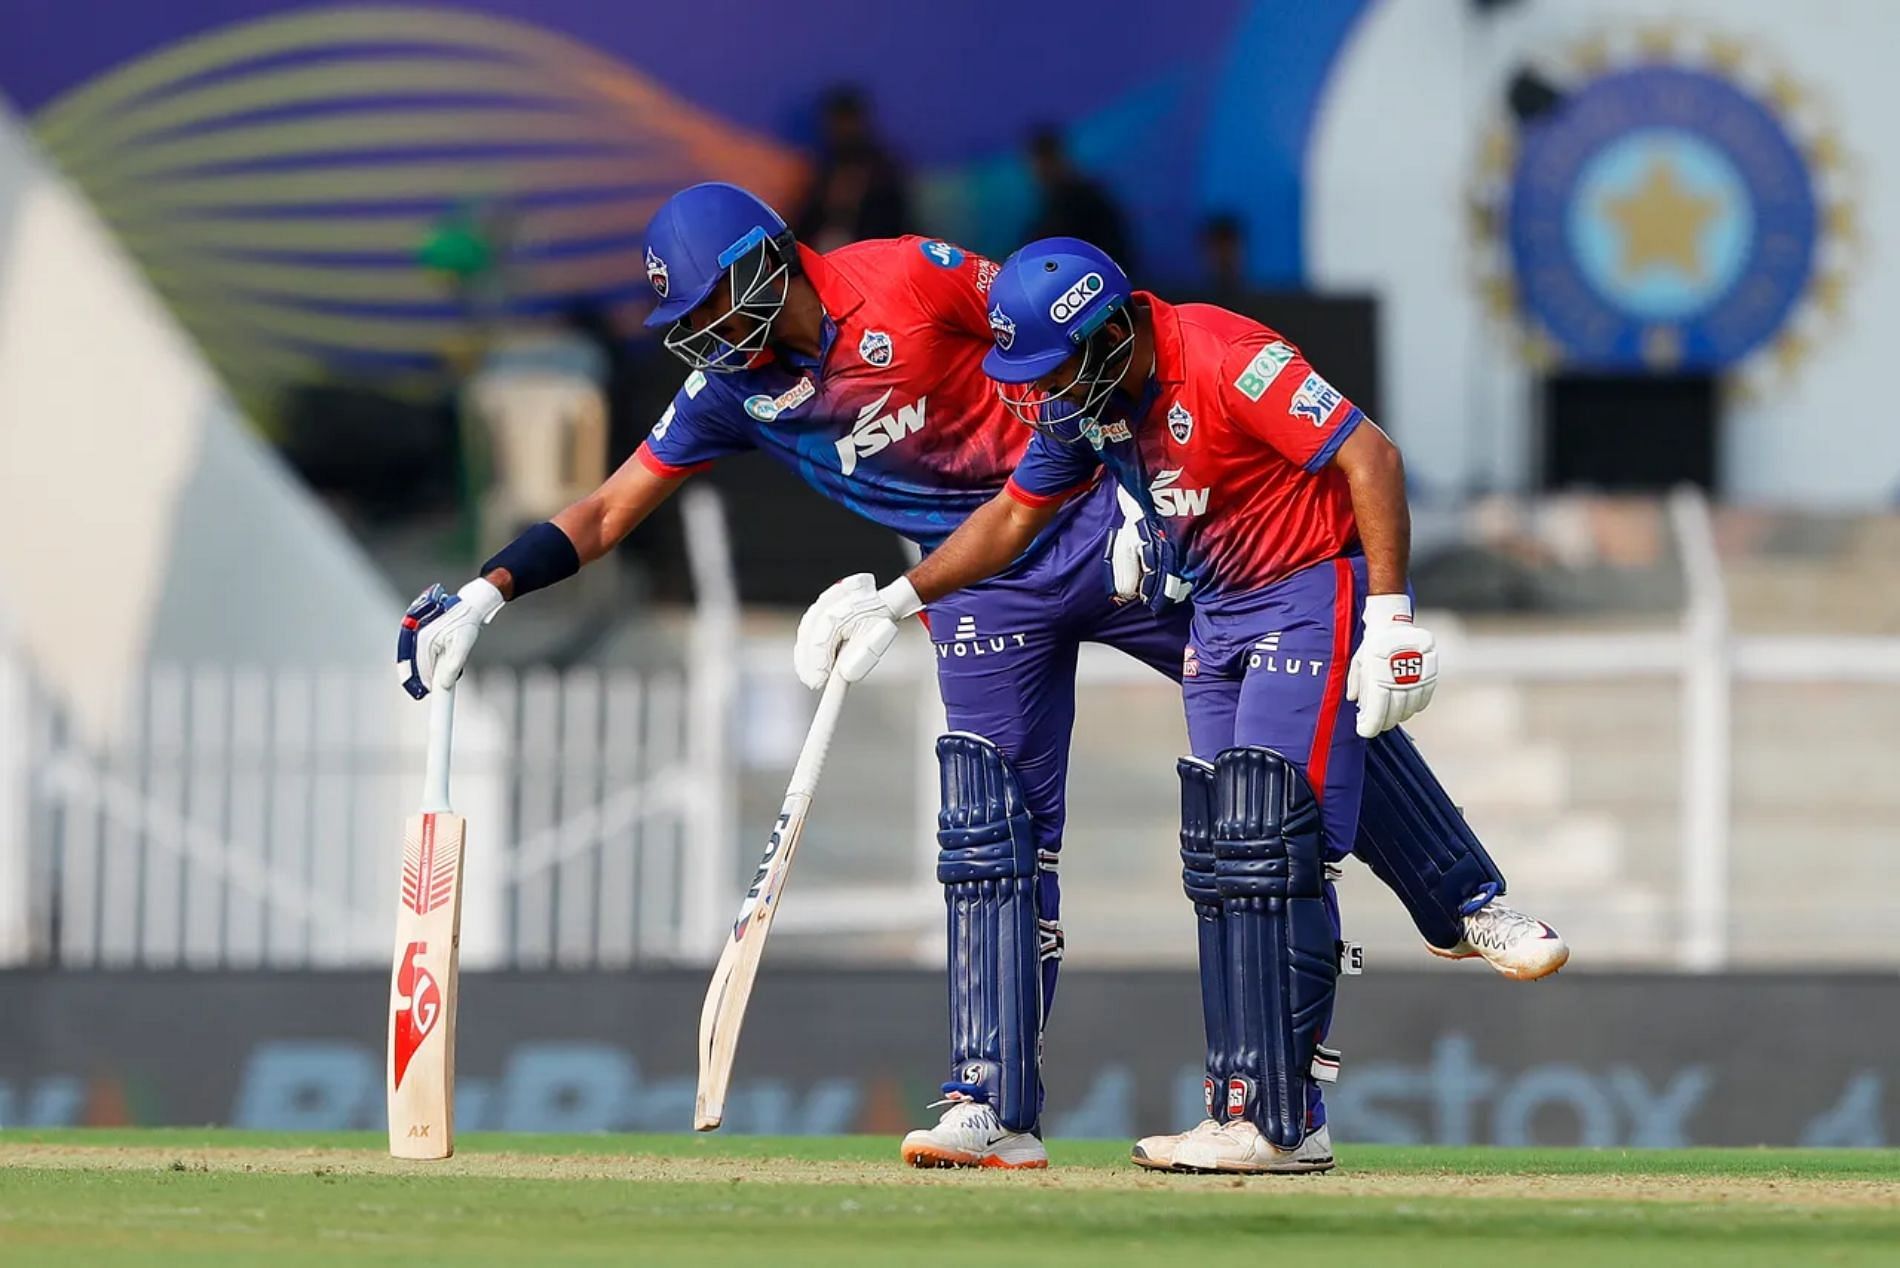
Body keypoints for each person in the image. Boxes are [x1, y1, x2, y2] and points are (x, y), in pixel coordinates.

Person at [394, 185, 1566, 1171]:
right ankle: (993, 1104)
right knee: (988, 825)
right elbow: (607, 505)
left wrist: (1134, 484)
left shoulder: (902, 276)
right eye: (687, 322)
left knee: (1301, 707)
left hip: (1110, 526)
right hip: (978, 575)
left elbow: (1050, 325)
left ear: (764, 264)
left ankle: (1463, 899)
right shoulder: (729, 396)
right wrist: (490, 590)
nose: (703, 338)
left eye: (711, 308)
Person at [793, 237, 1568, 1173]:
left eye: (1056, 367)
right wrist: (900, 598)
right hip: (1213, 613)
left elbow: (1371, 455)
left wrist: (1393, 616)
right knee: (1226, 859)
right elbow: (1011, 517)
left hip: (1305, 590)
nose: (1045, 392)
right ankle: (1248, 1110)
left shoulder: (1225, 354)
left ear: (1112, 331)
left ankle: (1288, 1118)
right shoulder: (1088, 404)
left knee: (1275, 846)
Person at [793, 85, 913, 252]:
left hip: (873, 257)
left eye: (847, 121)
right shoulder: (822, 171)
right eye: (836, 122)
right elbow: (802, 228)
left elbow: (895, 229)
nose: (842, 130)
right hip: (819, 260)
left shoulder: (884, 173)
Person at [1026, 127, 1131, 269]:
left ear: (1059, 159)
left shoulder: (1085, 201)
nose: (1039, 169)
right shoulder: (1052, 203)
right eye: (1036, 163)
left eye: (1045, 161)